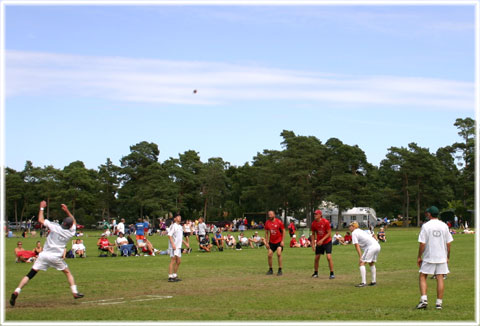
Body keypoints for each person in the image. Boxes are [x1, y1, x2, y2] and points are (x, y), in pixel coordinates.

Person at [10, 201, 84, 307]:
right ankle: (75, 292)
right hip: (56, 257)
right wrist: (67, 210)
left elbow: (40, 220)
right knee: (67, 273)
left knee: (30, 274)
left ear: (63, 223)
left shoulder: (54, 226)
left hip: (43, 255)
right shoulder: (71, 232)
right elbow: (74, 221)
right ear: (71, 225)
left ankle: (17, 290)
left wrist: (41, 208)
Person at [416, 206, 453, 310]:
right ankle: (439, 304)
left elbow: (422, 243)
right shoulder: (444, 225)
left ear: (429, 214)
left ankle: (424, 300)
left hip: (429, 255)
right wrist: (447, 256)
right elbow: (448, 243)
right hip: (441, 256)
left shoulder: (426, 226)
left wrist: (419, 256)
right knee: (440, 277)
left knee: (423, 276)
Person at [349, 221, 381, 287]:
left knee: (361, 263)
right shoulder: (361, 231)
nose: (349, 228)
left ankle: (363, 282)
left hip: (371, 247)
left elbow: (356, 245)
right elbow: (372, 235)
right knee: (371, 263)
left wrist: (360, 256)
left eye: (350, 226)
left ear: (354, 227)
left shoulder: (354, 233)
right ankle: (373, 281)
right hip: (377, 246)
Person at [310, 210, 335, 279]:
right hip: (319, 242)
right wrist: (312, 244)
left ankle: (332, 273)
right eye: (314, 214)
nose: (315, 215)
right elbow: (313, 234)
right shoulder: (313, 223)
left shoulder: (325, 222)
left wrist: (322, 240)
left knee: (328, 257)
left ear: (320, 215)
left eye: (316, 214)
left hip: (327, 242)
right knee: (316, 258)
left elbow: (329, 233)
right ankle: (315, 273)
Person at [168, 213, 188, 282]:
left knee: (178, 261)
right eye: (178, 217)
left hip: (178, 246)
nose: (179, 218)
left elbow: (179, 238)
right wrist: (173, 244)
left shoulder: (180, 227)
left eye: (180, 217)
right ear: (175, 219)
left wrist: (185, 243)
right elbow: (169, 235)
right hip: (174, 246)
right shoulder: (173, 226)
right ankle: (170, 277)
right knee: (173, 260)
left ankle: (174, 275)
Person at [264, 210, 285, 276]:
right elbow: (266, 233)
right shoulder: (267, 223)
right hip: (271, 242)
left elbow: (284, 231)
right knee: (269, 255)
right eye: (269, 214)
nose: (269, 215)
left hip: (279, 241)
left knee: (279, 254)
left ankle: (280, 270)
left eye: (271, 214)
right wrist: (267, 242)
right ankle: (270, 269)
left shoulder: (279, 222)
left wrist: (282, 241)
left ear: (274, 215)